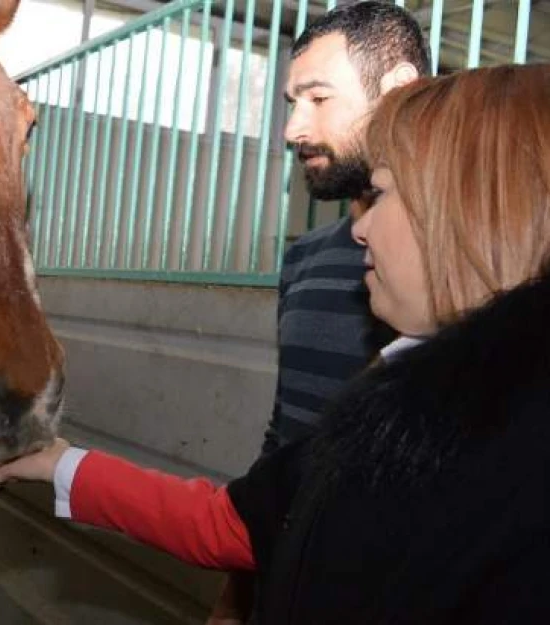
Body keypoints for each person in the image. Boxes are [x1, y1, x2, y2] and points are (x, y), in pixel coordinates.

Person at [0, 63, 550, 624]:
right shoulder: (410, 396)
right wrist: (58, 464)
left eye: (381, 195)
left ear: (470, 210)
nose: (358, 231)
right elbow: (239, 522)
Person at [215, 3, 429, 620]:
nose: (291, 128)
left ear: (398, 91)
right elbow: (282, 443)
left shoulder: (461, 263)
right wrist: (236, 597)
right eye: (290, 102)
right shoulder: (304, 259)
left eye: (317, 98)